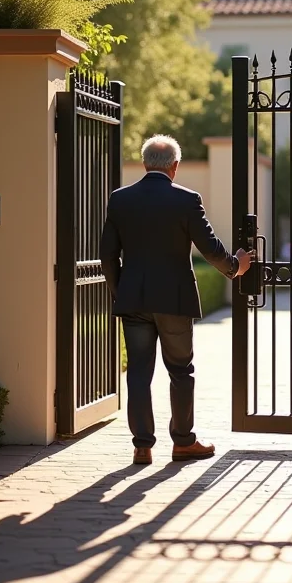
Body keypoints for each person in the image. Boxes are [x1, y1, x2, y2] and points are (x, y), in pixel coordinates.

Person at [100, 134, 254, 465]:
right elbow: (209, 247)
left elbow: (107, 255)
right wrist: (236, 266)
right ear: (175, 166)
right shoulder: (187, 200)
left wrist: (119, 293)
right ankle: (183, 442)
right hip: (175, 300)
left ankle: (142, 445)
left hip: (135, 301)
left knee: (139, 372)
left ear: (144, 164)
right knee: (181, 371)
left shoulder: (119, 199)